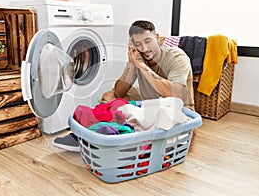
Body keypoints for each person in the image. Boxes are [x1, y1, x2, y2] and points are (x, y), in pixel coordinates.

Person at [53, 20, 194, 152]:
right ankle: (93, 132)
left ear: (157, 38)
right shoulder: (138, 58)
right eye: (138, 44)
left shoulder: (176, 57)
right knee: (110, 96)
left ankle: (107, 137)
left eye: (148, 41)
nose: (144, 48)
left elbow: (174, 93)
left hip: (177, 108)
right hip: (148, 103)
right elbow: (119, 92)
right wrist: (132, 65)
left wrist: (142, 67)